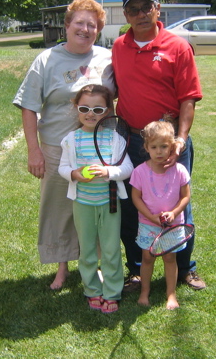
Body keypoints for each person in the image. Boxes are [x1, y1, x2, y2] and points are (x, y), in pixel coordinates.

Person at [13, 0, 115, 290]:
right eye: (79, 23)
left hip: (97, 150)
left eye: (92, 25)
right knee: (59, 209)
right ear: (67, 25)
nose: (85, 29)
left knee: (94, 209)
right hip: (58, 149)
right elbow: (29, 106)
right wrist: (34, 150)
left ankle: (91, 263)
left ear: (98, 30)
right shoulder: (46, 60)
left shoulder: (107, 59)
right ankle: (62, 267)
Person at [112, 0, 206, 291]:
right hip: (131, 142)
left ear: (157, 9)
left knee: (178, 202)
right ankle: (138, 269)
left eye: (145, 8)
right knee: (132, 205)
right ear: (126, 13)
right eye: (132, 9)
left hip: (169, 144)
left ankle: (184, 268)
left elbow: (188, 99)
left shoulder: (177, 47)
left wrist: (179, 140)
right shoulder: (118, 47)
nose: (140, 14)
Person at [59, 85, 133, 313]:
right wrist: (74, 174)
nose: (90, 114)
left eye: (98, 109)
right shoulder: (71, 139)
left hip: (109, 204)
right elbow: (63, 167)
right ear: (76, 109)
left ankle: (112, 292)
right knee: (88, 250)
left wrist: (109, 172)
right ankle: (92, 290)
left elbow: (127, 168)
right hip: (82, 203)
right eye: (84, 108)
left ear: (108, 111)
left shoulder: (114, 138)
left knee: (111, 250)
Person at [130, 121, 190, 309]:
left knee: (170, 258)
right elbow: (136, 198)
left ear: (172, 146)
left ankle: (171, 294)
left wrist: (173, 213)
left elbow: (186, 197)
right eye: (154, 147)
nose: (159, 151)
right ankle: (144, 291)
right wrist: (151, 216)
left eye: (164, 146)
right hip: (148, 224)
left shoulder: (179, 170)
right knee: (147, 258)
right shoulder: (140, 172)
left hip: (173, 225)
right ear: (146, 147)